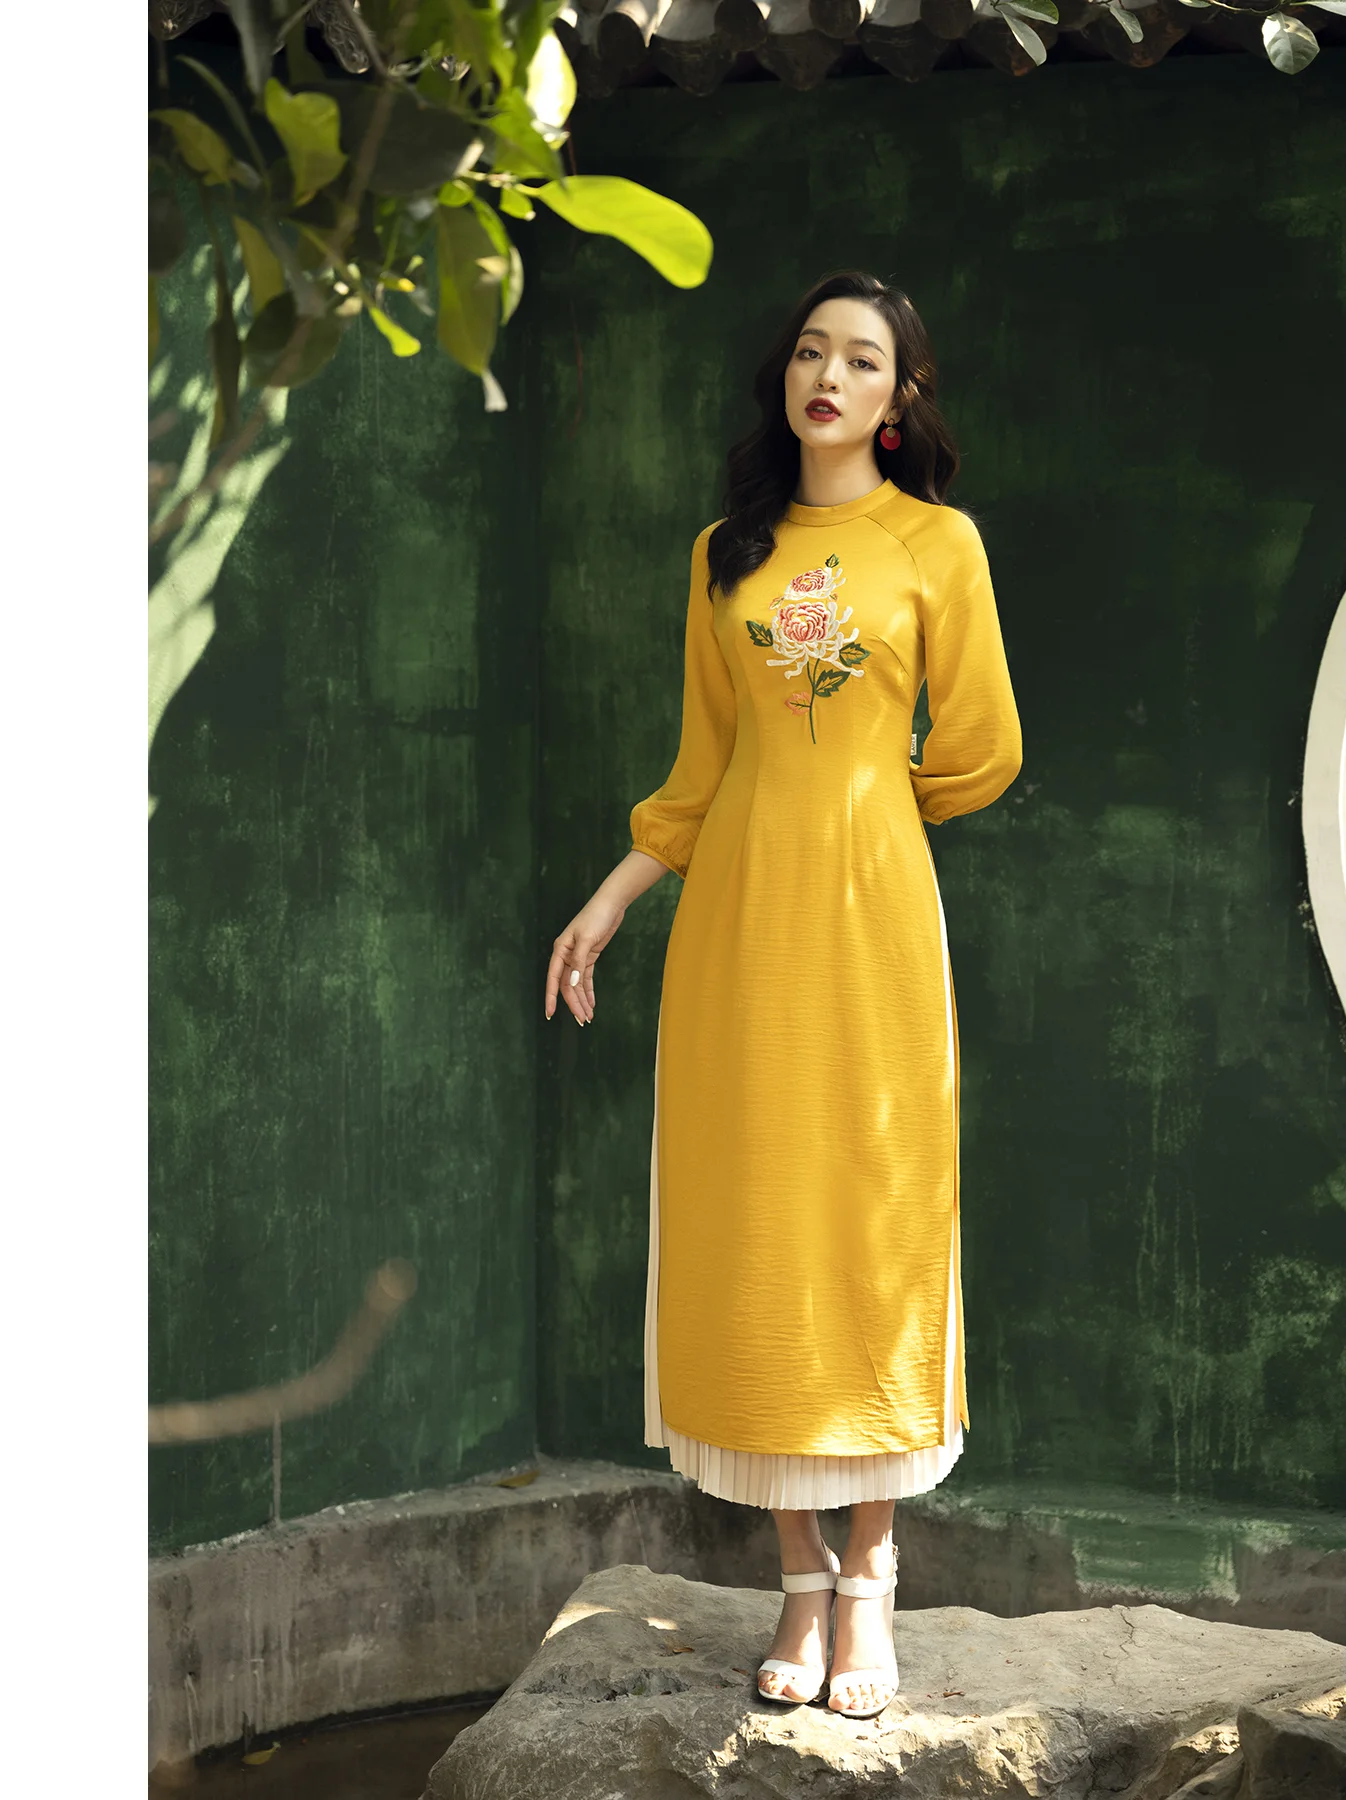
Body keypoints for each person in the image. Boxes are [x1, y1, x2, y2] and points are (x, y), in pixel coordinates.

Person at [544, 270, 1022, 1721]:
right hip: (739, 925)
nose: (829, 375)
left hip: (874, 922)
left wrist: (866, 811)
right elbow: (703, 772)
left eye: (863, 359)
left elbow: (983, 748)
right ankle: (798, 1579)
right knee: (758, 1223)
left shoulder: (937, 543)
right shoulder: (725, 554)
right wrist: (609, 902)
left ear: (900, 398)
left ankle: (872, 1579)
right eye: (812, 351)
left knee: (872, 1218)